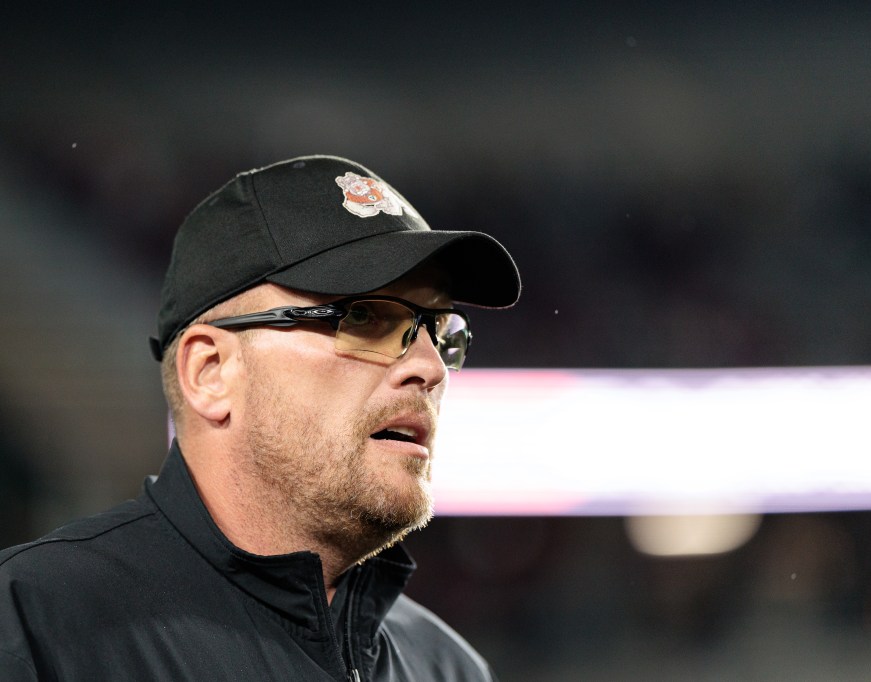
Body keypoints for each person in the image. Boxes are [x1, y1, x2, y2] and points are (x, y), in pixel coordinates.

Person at [0, 155, 521, 681]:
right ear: (211, 372)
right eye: (363, 317)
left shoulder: (449, 667)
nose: (430, 367)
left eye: (437, 328)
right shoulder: (36, 628)